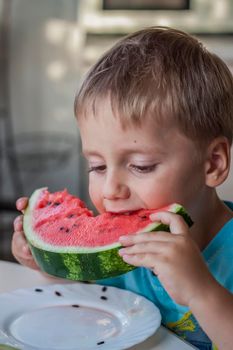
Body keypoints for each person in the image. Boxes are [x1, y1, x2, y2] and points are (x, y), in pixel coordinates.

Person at [12, 27, 233, 350]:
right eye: (97, 167)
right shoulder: (119, 250)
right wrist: (48, 263)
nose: (112, 189)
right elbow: (88, 291)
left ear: (212, 164)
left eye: (141, 166)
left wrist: (200, 291)